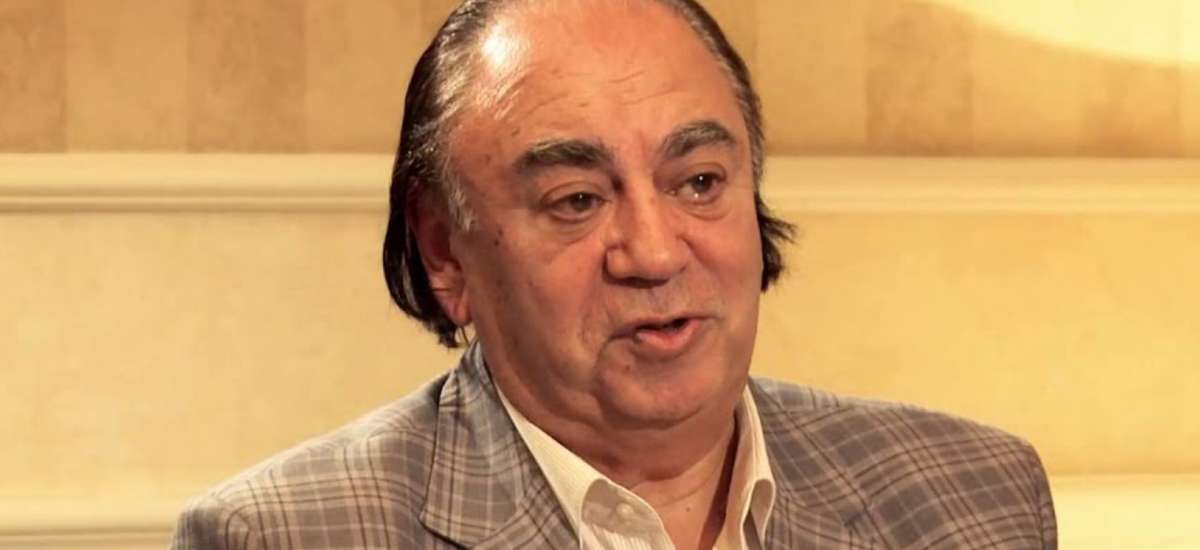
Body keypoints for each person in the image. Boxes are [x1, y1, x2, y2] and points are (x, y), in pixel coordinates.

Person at [172, 0, 1057, 548]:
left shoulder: (976, 495)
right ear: (445, 252)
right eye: (577, 200)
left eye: (699, 182)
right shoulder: (284, 536)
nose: (656, 253)